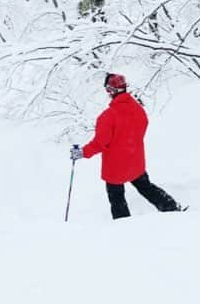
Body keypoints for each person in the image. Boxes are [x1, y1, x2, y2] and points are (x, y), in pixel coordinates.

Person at [71, 73, 185, 219]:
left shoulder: (108, 116)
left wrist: (81, 153)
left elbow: (100, 143)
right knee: (146, 187)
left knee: (117, 198)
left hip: (115, 166)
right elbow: (142, 127)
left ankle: (123, 226)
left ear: (110, 91)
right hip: (135, 160)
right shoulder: (138, 109)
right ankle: (171, 208)